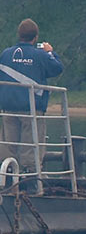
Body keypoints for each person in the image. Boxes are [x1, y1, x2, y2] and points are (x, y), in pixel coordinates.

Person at [0, 18, 63, 173]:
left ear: (19, 35)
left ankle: (8, 177)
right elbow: (57, 68)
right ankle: (31, 180)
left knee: (9, 148)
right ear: (35, 38)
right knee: (31, 150)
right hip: (31, 110)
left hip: (8, 109)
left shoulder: (6, 54)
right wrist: (49, 52)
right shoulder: (40, 55)